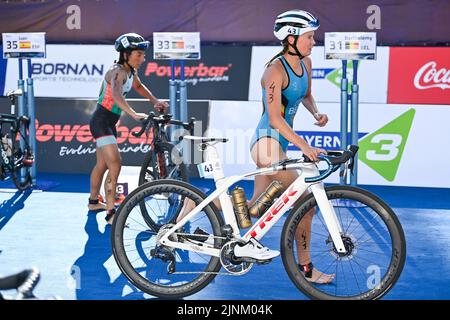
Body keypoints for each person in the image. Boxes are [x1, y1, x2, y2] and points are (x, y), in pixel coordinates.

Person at [244, 9, 335, 283]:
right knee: (306, 203)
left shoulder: (305, 63)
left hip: (279, 143)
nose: (313, 41)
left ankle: (195, 205)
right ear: (291, 37)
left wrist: (315, 112)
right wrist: (304, 145)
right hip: (266, 144)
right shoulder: (273, 71)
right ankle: (305, 268)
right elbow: (274, 118)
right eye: (309, 36)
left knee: (254, 209)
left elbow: (305, 94)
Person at [88, 33, 168, 224]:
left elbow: (139, 87)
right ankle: (110, 213)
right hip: (101, 122)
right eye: (138, 54)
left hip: (107, 122)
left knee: (102, 165)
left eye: (143, 54)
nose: (143, 58)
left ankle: (93, 202)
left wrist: (154, 101)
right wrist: (133, 114)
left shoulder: (130, 72)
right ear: (125, 54)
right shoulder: (118, 72)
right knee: (115, 163)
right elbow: (116, 94)